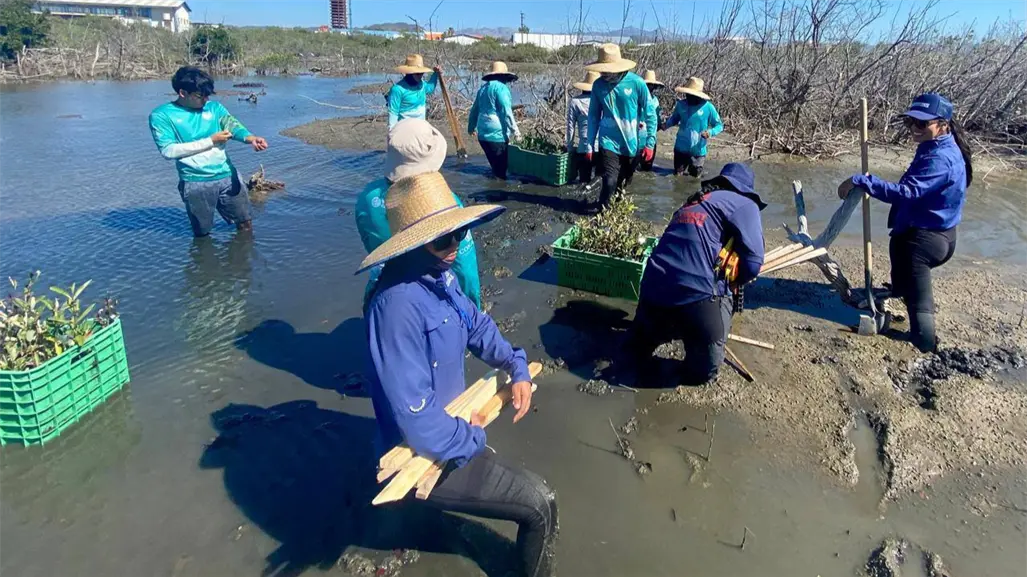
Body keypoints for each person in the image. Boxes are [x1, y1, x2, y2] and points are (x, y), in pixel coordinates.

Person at [358, 171, 557, 577]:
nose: (456, 246)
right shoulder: (396, 308)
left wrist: (515, 363)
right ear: (413, 244)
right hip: (425, 447)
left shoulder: (441, 278)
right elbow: (417, 421)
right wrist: (473, 437)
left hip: (450, 428)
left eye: (460, 234)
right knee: (540, 504)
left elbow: (477, 327)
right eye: (443, 239)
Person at [837, 93, 972, 353]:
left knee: (919, 302)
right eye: (911, 122)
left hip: (925, 241)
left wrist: (862, 180)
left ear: (943, 124)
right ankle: (897, 290)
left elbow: (906, 192)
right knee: (900, 263)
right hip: (935, 231)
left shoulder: (939, 158)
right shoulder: (939, 146)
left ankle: (924, 346)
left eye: (922, 124)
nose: (914, 129)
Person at [630, 163, 766, 386]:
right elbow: (753, 264)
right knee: (703, 373)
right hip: (698, 297)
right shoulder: (746, 204)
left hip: (651, 290)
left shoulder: (692, 202)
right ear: (745, 190)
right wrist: (733, 283)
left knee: (637, 350)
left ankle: (651, 338)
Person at [355, 118, 482, 309]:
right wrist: (475, 308)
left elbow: (372, 247)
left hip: (384, 292)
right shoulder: (444, 204)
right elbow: (465, 268)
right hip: (434, 299)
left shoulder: (366, 198)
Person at [149, 66, 268, 237]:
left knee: (245, 223)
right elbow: (168, 151)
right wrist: (210, 141)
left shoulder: (214, 108)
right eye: (200, 96)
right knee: (202, 234)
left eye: (207, 95)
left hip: (227, 176)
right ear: (182, 93)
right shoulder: (161, 116)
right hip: (195, 182)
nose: (205, 99)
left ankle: (243, 261)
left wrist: (251, 138)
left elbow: (232, 125)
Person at [585, 44, 658, 208]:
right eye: (602, 70)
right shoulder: (598, 85)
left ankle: (616, 212)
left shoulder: (637, 83)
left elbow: (650, 113)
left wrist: (650, 143)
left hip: (633, 142)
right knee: (609, 180)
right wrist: (590, 144)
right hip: (608, 140)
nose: (604, 74)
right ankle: (602, 212)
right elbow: (593, 116)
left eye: (607, 71)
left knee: (623, 182)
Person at [468, 61, 522, 180]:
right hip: (497, 136)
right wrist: (516, 132)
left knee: (495, 166)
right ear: (504, 77)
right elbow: (506, 112)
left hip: (482, 135)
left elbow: (474, 110)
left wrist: (471, 127)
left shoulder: (482, 89)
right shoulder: (501, 88)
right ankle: (499, 194)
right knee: (501, 171)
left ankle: (494, 183)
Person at [664, 77, 723, 178]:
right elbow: (674, 119)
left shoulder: (708, 107)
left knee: (695, 178)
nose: (688, 96)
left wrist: (710, 132)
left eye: (691, 95)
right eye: (687, 94)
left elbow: (719, 126)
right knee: (677, 177)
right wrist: (665, 125)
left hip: (698, 151)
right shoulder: (681, 104)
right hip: (680, 148)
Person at [387, 54, 441, 130]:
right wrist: (392, 134)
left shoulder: (421, 84)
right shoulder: (397, 90)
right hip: (404, 130)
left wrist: (435, 74)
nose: (420, 75)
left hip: (421, 128)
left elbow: (430, 88)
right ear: (409, 72)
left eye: (422, 73)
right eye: (417, 73)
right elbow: (393, 113)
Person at [566, 71, 600, 191]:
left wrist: (569, 147)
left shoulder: (575, 102)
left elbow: (570, 126)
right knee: (598, 182)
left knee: (583, 181)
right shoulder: (602, 100)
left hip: (584, 147)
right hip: (601, 147)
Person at [638, 70, 665, 172]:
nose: (649, 87)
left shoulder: (655, 101)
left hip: (649, 141)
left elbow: (657, 121)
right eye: (648, 85)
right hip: (635, 141)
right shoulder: (635, 99)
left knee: (646, 170)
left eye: (651, 85)